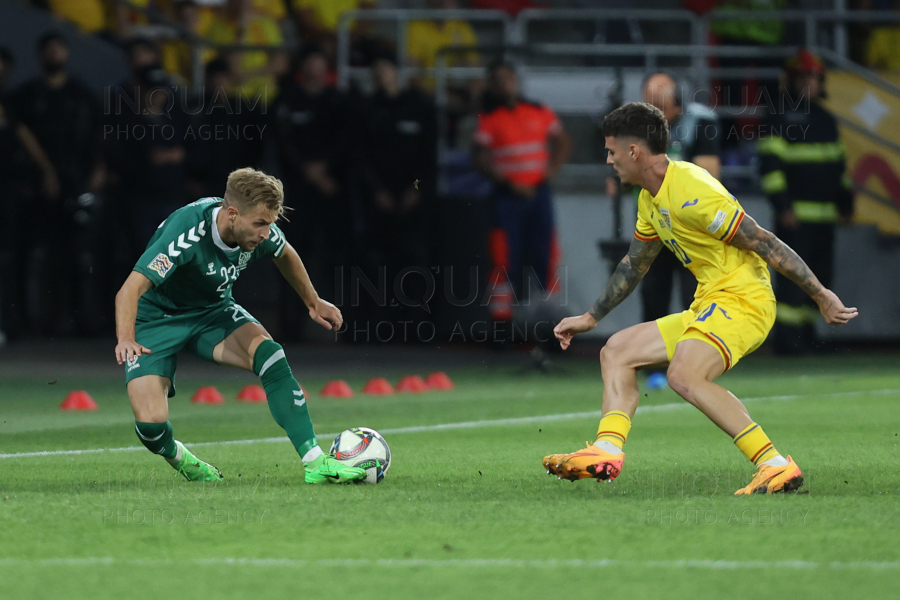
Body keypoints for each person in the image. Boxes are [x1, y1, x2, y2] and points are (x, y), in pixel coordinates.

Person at [543, 102, 857, 495]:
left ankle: (774, 464)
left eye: (611, 151)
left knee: (684, 375)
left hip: (744, 301)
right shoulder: (649, 199)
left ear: (634, 152)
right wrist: (592, 316)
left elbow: (763, 240)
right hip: (709, 304)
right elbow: (634, 264)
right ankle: (607, 451)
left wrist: (820, 294)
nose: (609, 160)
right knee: (617, 351)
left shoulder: (693, 189)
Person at [114, 167, 366, 484]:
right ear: (232, 213)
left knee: (271, 356)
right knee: (151, 424)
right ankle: (181, 459)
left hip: (212, 312)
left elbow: (285, 253)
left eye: (270, 223)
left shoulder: (259, 229)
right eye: (260, 224)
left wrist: (313, 301)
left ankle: (316, 463)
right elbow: (129, 290)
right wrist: (125, 338)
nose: (265, 233)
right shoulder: (188, 231)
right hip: (156, 318)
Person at [758, 50, 854, 355]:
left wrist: (846, 203)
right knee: (792, 280)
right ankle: (788, 340)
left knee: (822, 277)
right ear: (792, 81)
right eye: (804, 77)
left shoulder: (825, 119)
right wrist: (783, 206)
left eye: (814, 77)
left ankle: (808, 335)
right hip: (795, 217)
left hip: (824, 217)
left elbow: (839, 168)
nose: (809, 83)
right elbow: (770, 167)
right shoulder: (778, 117)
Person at [12, 32, 105, 335]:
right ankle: (35, 323)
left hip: (76, 184)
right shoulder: (27, 95)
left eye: (58, 49)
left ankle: (82, 321)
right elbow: (18, 133)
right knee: (37, 258)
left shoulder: (81, 94)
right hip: (38, 188)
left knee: (79, 258)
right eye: (48, 50)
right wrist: (43, 174)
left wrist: (96, 175)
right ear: (40, 55)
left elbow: (101, 135)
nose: (54, 55)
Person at [635, 72, 721, 389]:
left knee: (694, 299)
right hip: (654, 227)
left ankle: (693, 367)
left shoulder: (701, 122)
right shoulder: (638, 127)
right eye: (649, 101)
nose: (652, 108)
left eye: (658, 102)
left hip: (691, 229)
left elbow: (708, 173)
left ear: (677, 101)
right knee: (652, 298)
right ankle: (654, 368)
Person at [473, 61, 571, 328]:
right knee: (503, 257)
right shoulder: (489, 118)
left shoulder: (539, 110)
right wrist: (506, 182)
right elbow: (479, 157)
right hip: (506, 196)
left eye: (509, 78)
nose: (505, 84)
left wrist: (550, 172)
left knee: (546, 255)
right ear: (492, 84)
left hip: (538, 193)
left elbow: (562, 140)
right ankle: (501, 325)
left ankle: (552, 324)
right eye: (499, 79)